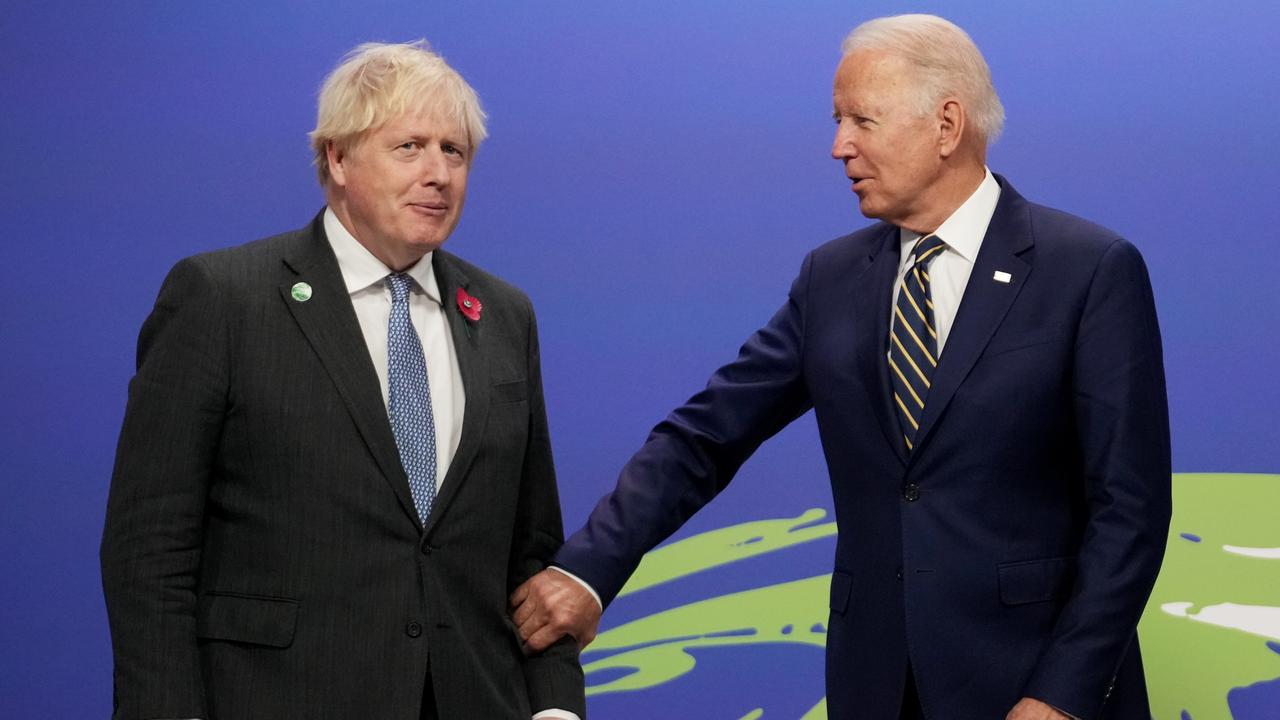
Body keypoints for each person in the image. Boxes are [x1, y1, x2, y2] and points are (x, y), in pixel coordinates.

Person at [512, 14, 1170, 720]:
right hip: (877, 688)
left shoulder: (1087, 270)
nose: (838, 147)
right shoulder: (832, 280)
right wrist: (589, 568)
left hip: (1034, 688)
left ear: (946, 125)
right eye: (837, 120)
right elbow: (705, 437)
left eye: (862, 120)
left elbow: (1129, 510)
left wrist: (1060, 696)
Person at [100, 41, 584, 720]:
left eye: (455, 151)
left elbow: (530, 549)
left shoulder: (504, 316)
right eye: (410, 146)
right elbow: (149, 548)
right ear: (337, 157)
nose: (438, 173)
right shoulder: (224, 299)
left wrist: (556, 708)